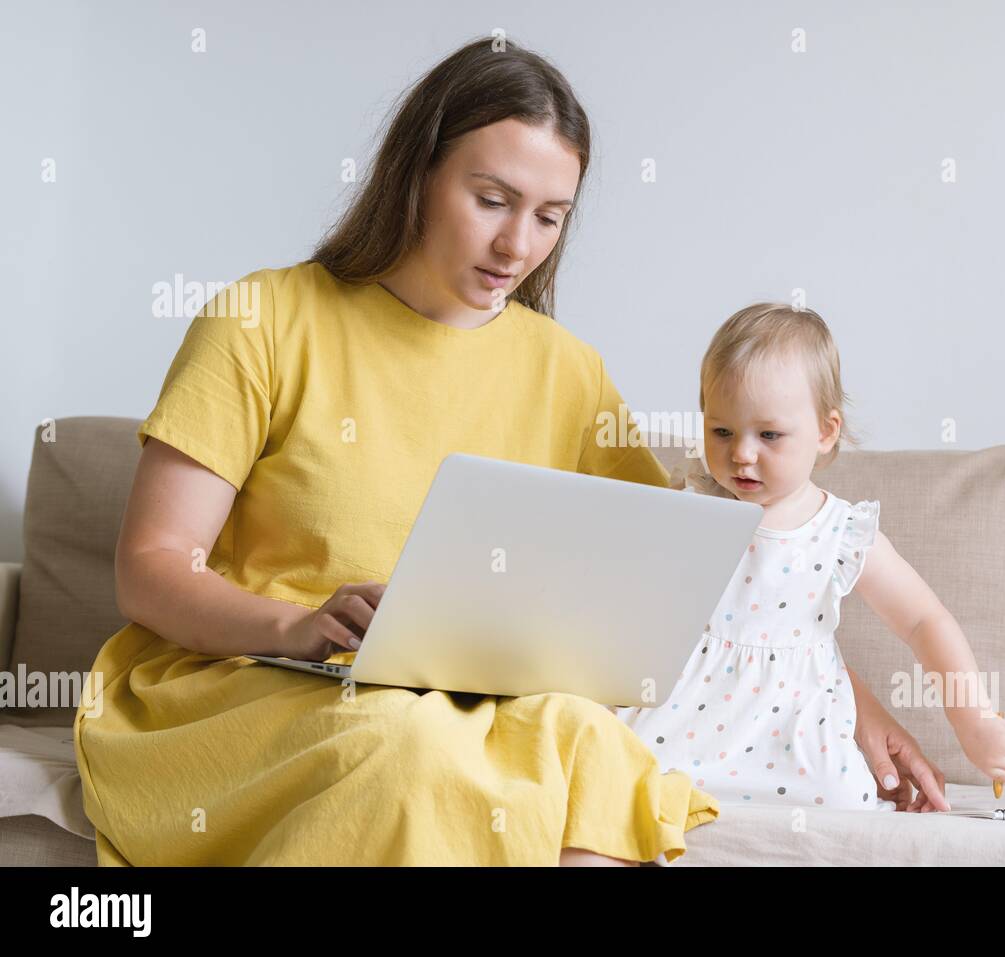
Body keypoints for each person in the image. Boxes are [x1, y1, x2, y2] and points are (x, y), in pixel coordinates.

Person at [72, 36, 717, 866]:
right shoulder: (262, 320)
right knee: (405, 743)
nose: (519, 246)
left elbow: (657, 571)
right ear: (417, 173)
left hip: (460, 702)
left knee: (589, 745)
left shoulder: (568, 369)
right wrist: (295, 624)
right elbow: (151, 565)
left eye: (550, 217)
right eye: (492, 199)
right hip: (245, 682)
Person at [613, 303, 1005, 809]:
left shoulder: (841, 532)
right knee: (622, 778)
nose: (741, 453)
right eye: (722, 431)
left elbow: (923, 619)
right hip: (686, 715)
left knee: (842, 799)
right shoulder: (690, 502)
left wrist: (972, 717)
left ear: (825, 432)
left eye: (768, 435)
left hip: (796, 729)